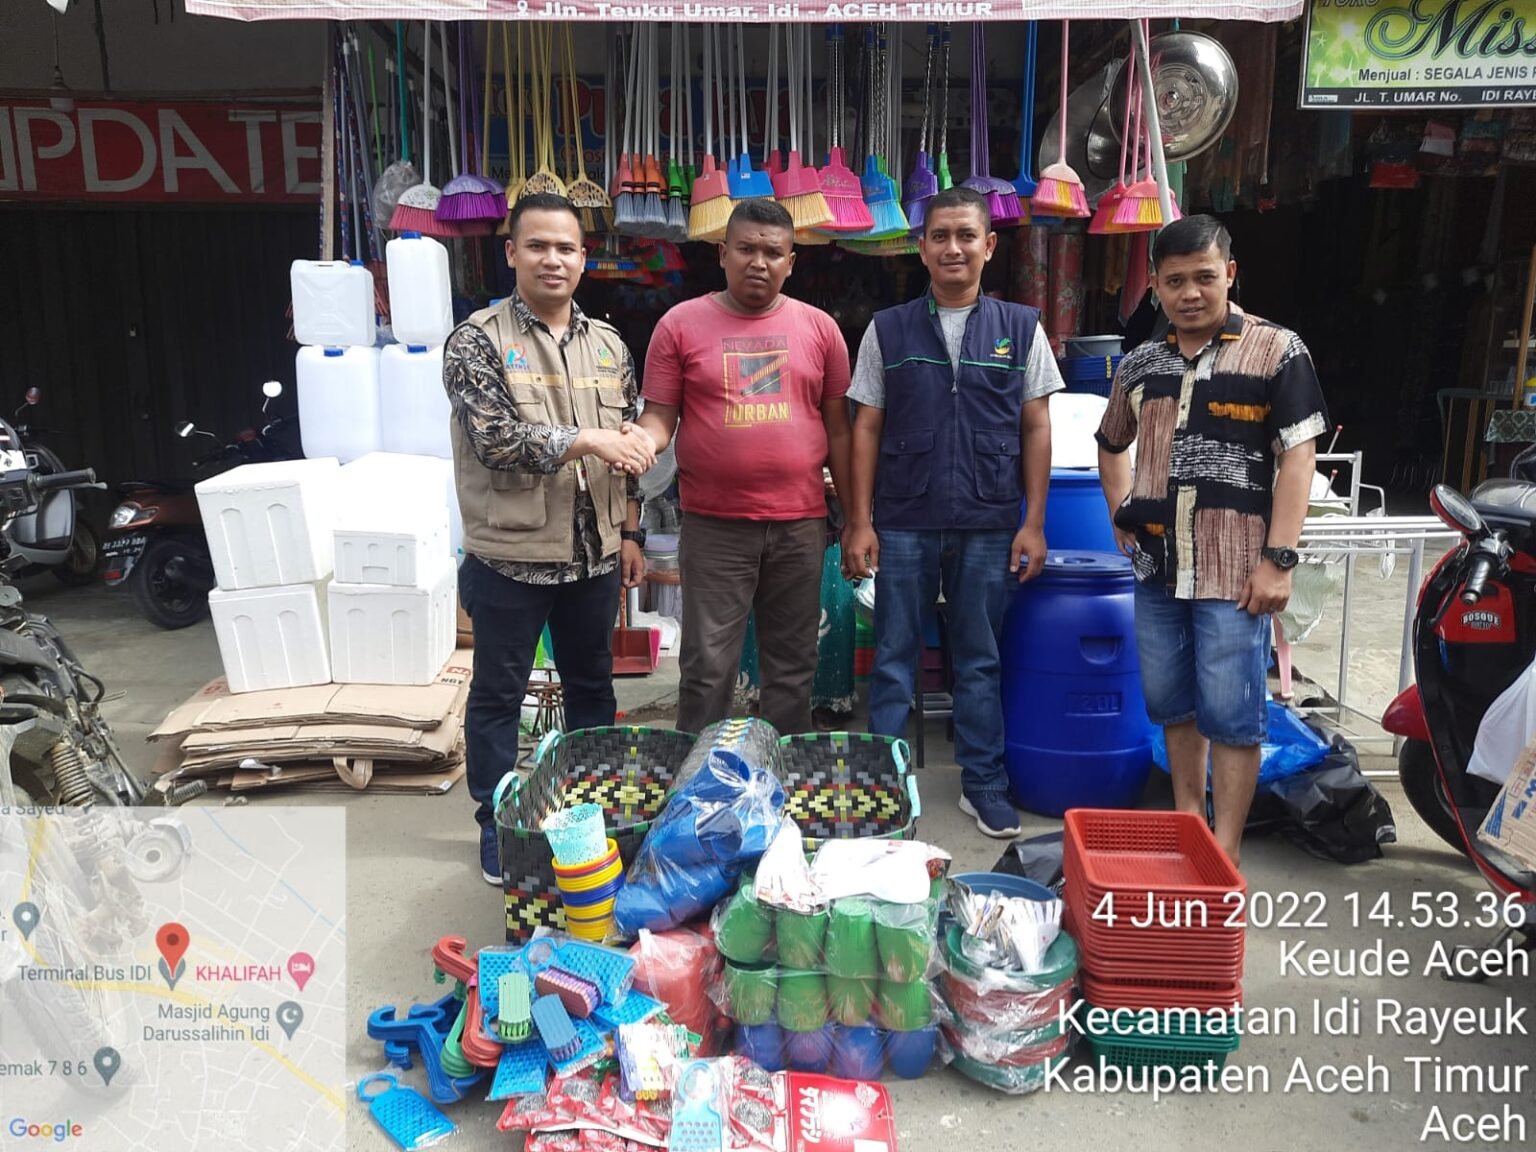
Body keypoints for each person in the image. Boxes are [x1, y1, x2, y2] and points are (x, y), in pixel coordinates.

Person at [1095, 214, 1328, 867]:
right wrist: (1120, 513)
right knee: (1173, 705)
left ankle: (1224, 849)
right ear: (1156, 286)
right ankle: (1187, 822)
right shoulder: (1141, 363)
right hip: (1157, 568)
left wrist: (1279, 560)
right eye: (1175, 281)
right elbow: (1110, 443)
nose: (1190, 293)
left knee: (1232, 713)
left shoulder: (1276, 350)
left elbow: (1298, 458)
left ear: (1229, 273)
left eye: (1204, 277)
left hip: (1235, 572)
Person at [443, 192, 654, 884]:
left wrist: (630, 531)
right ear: (511, 253)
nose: (552, 259)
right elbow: (496, 441)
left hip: (593, 559)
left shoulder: (609, 345)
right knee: (499, 696)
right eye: (537, 245)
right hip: (512, 557)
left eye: (566, 247)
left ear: (584, 258)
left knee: (593, 688)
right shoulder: (476, 341)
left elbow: (628, 448)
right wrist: (588, 439)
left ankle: (592, 813)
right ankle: (498, 824)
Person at [842, 187, 1062, 839]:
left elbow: (1036, 426)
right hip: (905, 517)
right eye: (940, 236)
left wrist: (1033, 521)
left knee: (979, 657)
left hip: (990, 519)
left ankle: (983, 783)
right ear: (922, 247)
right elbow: (865, 426)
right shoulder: (888, 328)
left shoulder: (1022, 327)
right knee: (893, 655)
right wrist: (859, 520)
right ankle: (882, 786)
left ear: (989, 246)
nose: (953, 248)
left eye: (966, 235)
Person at [633, 199, 852, 736]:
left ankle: (777, 773)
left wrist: (856, 519)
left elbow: (840, 431)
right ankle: (697, 773)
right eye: (746, 249)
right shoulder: (679, 325)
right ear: (722, 253)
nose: (759, 262)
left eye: (773, 252)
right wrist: (639, 440)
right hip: (714, 525)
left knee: (793, 666)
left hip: (799, 524)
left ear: (791, 262)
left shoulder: (821, 329)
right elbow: (659, 418)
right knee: (707, 668)